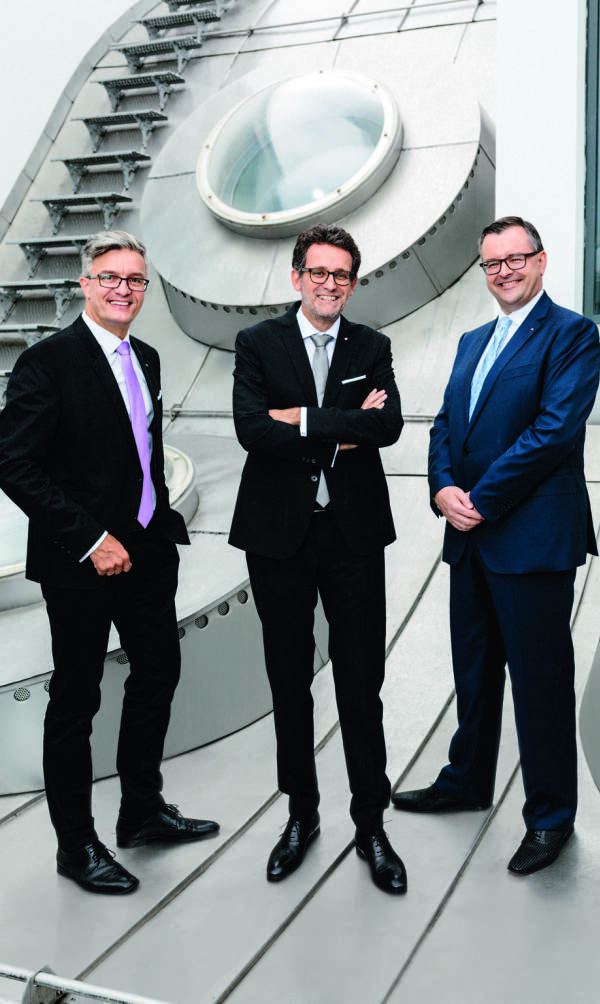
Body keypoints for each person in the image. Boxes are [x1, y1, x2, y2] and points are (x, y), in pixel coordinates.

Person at [0, 231, 218, 894]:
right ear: (85, 284)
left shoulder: (145, 356)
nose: (124, 289)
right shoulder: (47, 362)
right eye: (110, 277)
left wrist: (155, 527)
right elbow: (14, 463)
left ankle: (141, 812)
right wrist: (92, 539)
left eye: (135, 279)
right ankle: (76, 847)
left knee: (157, 677)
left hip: (148, 554)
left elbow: (137, 451)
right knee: (76, 702)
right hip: (81, 565)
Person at [392, 216, 600, 876]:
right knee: (475, 671)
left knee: (540, 685)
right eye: (492, 263)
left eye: (515, 259)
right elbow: (445, 425)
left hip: (530, 540)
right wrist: (441, 488)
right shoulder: (472, 341)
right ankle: (466, 781)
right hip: (470, 538)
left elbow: (554, 431)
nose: (504, 271)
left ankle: (551, 816)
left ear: (541, 261)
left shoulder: (573, 335)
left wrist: (479, 499)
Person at [229, 223, 406, 894]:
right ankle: (301, 815)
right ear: (297, 277)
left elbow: (387, 426)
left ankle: (371, 824)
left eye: (342, 275)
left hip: (353, 537)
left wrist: (299, 420)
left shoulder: (372, 346)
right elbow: (251, 429)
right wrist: (342, 427)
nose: (330, 284)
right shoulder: (257, 342)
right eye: (319, 272)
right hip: (279, 538)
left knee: (361, 684)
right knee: (288, 681)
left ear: (352, 284)